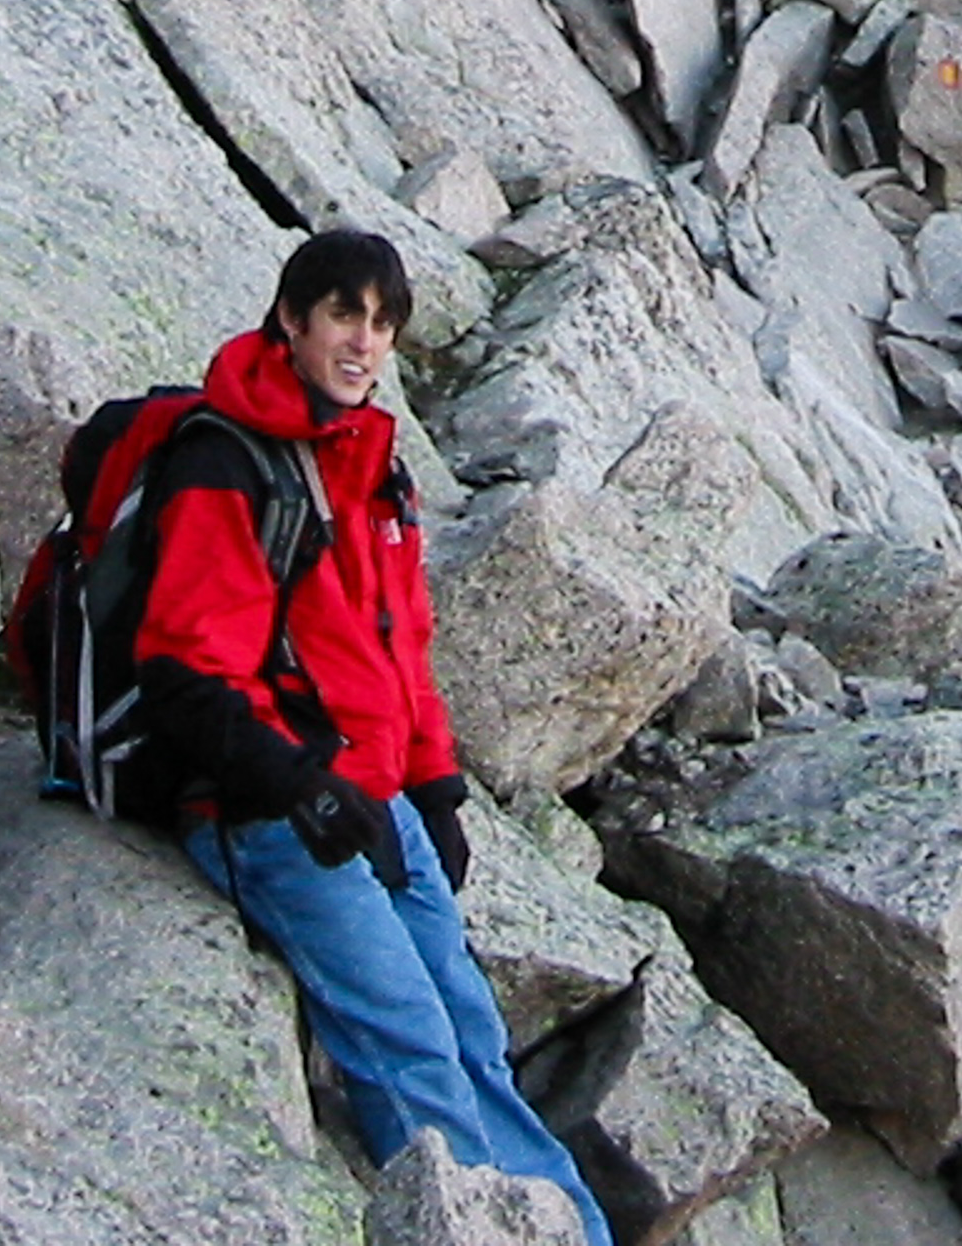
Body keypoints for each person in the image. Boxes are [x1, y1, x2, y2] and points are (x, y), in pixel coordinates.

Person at [130, 231, 613, 1246]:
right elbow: (185, 674)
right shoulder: (229, 463)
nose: (364, 341)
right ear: (293, 320)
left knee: (473, 1038)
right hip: (268, 807)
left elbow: (401, 651)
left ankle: (564, 1230)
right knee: (410, 1045)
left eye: (383, 321)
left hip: (372, 795)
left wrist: (433, 790)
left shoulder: (369, 465)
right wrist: (299, 788)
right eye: (343, 314)